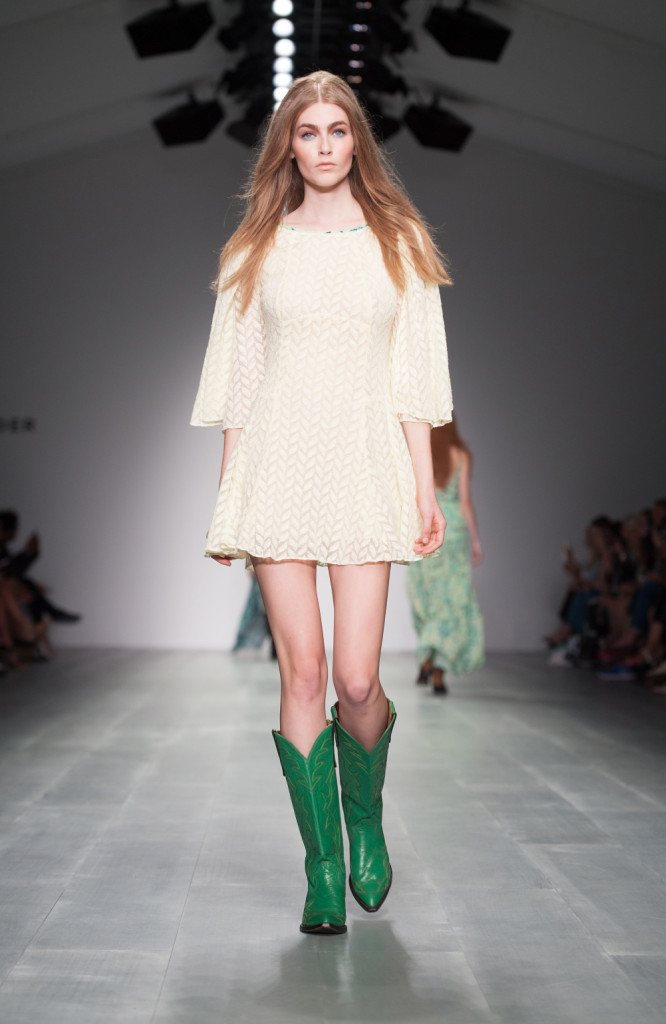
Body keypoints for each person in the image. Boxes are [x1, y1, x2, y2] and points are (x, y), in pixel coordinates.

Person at [191, 71, 453, 935]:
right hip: (277, 467)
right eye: (308, 132)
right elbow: (240, 384)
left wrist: (423, 484)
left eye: (338, 130)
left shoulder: (398, 240)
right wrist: (227, 498)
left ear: (356, 141)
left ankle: (364, 816)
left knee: (356, 677)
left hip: (365, 467)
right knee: (301, 671)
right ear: (288, 147)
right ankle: (322, 868)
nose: (325, 145)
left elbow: (414, 377)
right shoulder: (253, 248)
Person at [406, 418, 484, 694]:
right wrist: (476, 540)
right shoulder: (461, 455)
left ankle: (426, 659)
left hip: (427, 527)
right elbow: (465, 501)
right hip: (454, 531)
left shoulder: (421, 451)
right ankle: (438, 673)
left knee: (425, 598)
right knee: (451, 601)